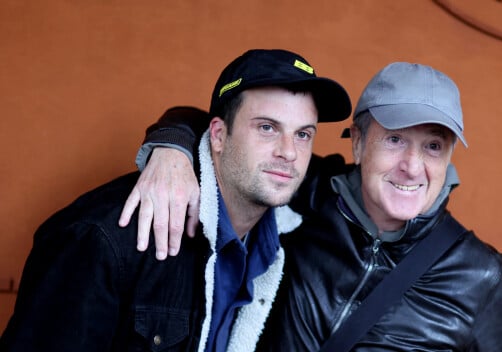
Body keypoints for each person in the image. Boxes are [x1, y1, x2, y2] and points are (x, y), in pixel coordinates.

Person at [119, 62, 502, 350]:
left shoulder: (482, 277)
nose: (412, 167)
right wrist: (170, 147)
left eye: (433, 146)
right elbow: (228, 134)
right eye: (395, 140)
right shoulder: (308, 194)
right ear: (359, 143)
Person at [0, 49, 352, 351]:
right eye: (266, 128)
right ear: (217, 135)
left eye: (303, 134)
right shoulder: (102, 238)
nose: (289, 152)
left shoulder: (290, 238)